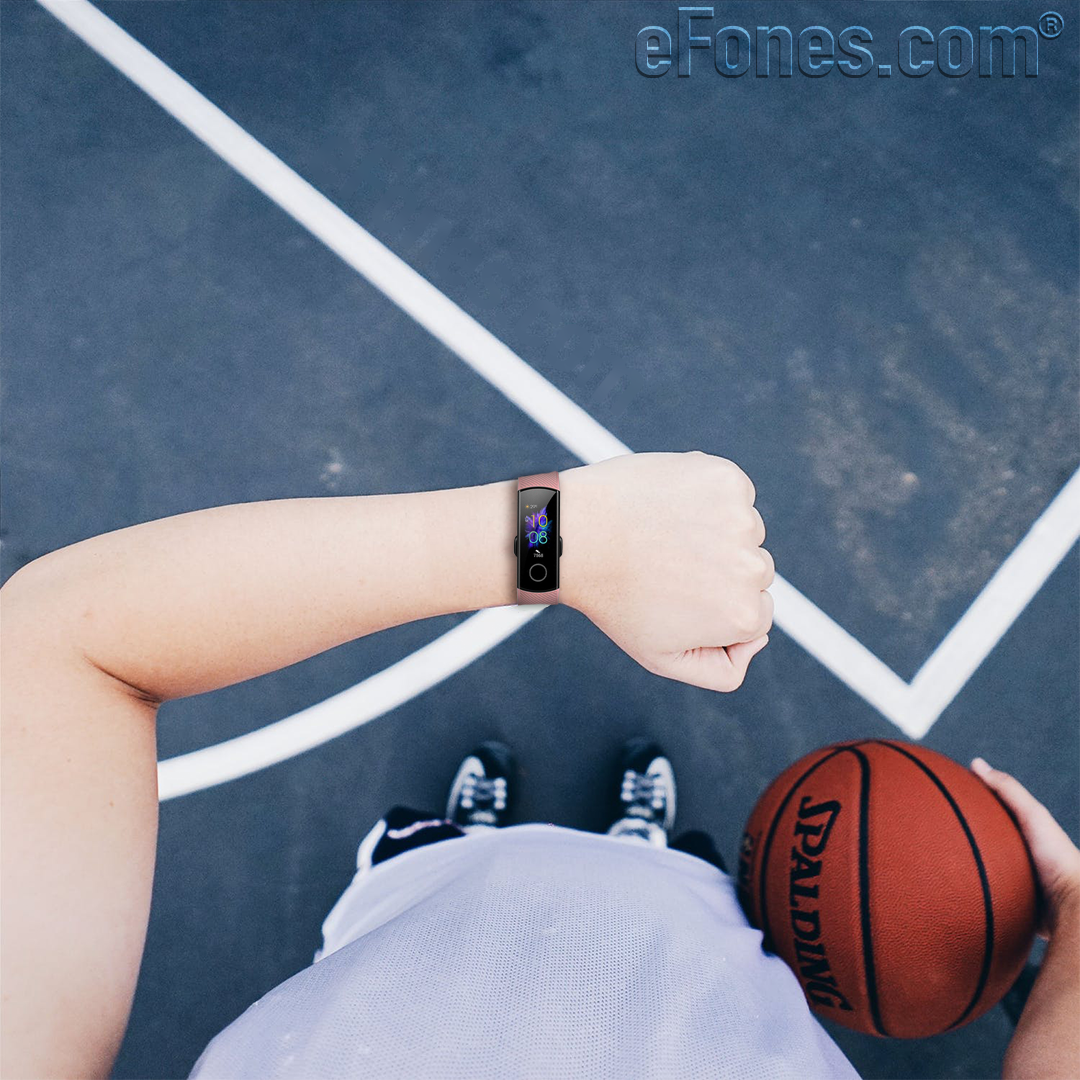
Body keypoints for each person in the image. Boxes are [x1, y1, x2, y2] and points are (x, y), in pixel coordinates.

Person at [1, 452, 1077, 1078]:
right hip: (686, 937)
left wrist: (570, 539)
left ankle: (480, 842)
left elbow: (59, 650)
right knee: (667, 894)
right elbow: (60, 648)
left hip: (425, 914)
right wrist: (552, 535)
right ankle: (638, 851)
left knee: (439, 884)